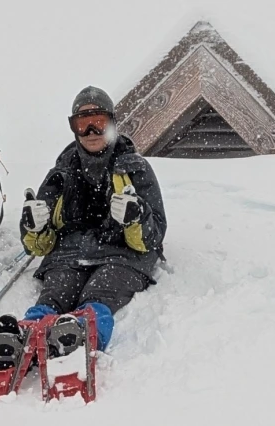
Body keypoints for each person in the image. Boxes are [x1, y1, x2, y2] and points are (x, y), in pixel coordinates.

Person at [16, 85, 167, 353]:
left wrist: (137, 218)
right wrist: (33, 226)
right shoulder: (61, 172)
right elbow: (38, 246)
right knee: (56, 292)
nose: (91, 132)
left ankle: (83, 333)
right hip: (69, 254)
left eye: (98, 123)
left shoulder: (136, 168)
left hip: (122, 255)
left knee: (101, 291)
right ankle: (27, 336)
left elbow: (153, 238)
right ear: (73, 128)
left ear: (112, 124)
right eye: (83, 124)